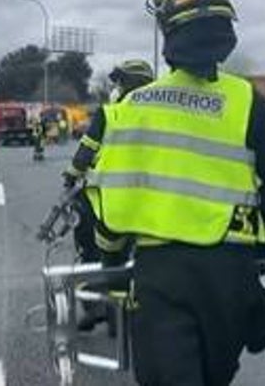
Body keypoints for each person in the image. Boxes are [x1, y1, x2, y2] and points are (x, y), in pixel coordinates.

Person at [89, 0, 265, 385]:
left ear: (169, 36)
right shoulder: (245, 99)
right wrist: (264, 246)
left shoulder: (135, 104)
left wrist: (111, 262)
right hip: (231, 270)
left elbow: (108, 198)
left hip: (160, 274)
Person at [63, 58, 155, 332]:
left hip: (106, 202)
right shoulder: (164, 114)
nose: (116, 87)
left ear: (125, 85)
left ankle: (96, 306)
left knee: (91, 252)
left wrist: (70, 176)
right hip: (155, 202)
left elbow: (85, 152)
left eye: (119, 82)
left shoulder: (111, 113)